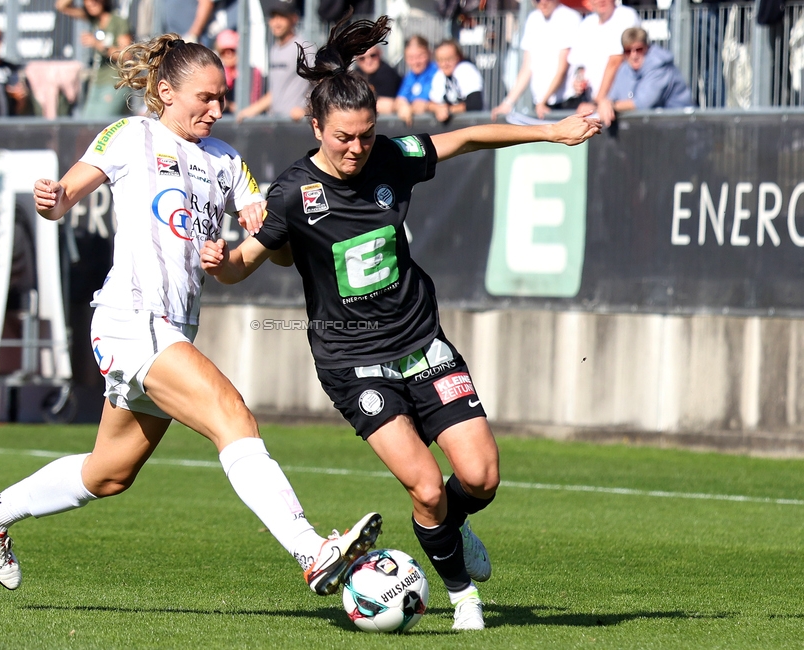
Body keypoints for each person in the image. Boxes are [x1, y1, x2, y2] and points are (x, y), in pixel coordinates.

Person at [200, 15, 600, 632]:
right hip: (351, 360)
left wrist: (550, 131)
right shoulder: (291, 193)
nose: (356, 149)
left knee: (480, 477)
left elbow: (464, 139)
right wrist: (219, 261)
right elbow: (245, 264)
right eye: (342, 138)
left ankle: (452, 531)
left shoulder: (390, 158)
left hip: (421, 343)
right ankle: (463, 597)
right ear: (316, 128)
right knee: (427, 488)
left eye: (364, 135)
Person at [0, 33, 381, 599]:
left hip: (175, 327)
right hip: (129, 319)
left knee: (109, 473)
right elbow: (65, 197)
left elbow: (270, 243)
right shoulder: (130, 136)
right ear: (165, 92)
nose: (217, 108)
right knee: (231, 413)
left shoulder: (227, 160)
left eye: (223, 97)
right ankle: (313, 551)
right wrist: (51, 198)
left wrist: (255, 227)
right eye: (205, 97)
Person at [490, 0, 584, 121]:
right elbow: (527, 68)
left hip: (566, 104)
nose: (543, 3)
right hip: (541, 107)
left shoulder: (569, 17)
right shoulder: (533, 19)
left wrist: (543, 101)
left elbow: (562, 68)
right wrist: (507, 103)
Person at [565, 0, 640, 125]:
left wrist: (596, 102)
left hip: (619, 105)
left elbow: (615, 62)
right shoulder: (587, 24)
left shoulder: (626, 16)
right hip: (595, 106)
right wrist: (579, 79)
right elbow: (578, 63)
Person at [55, 0, 133, 118]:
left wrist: (99, 45)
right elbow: (61, 6)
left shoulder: (117, 21)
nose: (90, 3)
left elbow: (126, 55)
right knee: (87, 125)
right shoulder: (95, 20)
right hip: (97, 83)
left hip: (115, 83)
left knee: (102, 126)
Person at [236, 0, 311, 122]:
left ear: (293, 19)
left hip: (297, 125)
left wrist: (306, 109)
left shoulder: (303, 48)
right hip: (277, 124)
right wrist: (249, 112)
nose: (276, 22)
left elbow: (322, 83)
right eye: (273, 17)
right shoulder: (275, 49)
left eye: (282, 17)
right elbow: (275, 93)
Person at [604, 27, 694, 115]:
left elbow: (643, 103)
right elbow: (613, 96)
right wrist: (606, 103)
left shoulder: (659, 65)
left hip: (679, 120)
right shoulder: (625, 68)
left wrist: (611, 106)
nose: (633, 55)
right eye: (628, 51)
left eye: (638, 49)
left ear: (646, 47)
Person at [429, 39, 484, 123]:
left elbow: (475, 103)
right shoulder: (439, 75)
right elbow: (432, 102)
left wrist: (448, 110)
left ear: (459, 57)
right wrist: (436, 109)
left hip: (475, 125)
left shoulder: (466, 69)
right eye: (441, 60)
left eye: (449, 59)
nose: (445, 64)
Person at [394, 35, 440, 126]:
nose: (416, 62)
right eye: (411, 57)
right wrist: (402, 107)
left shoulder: (437, 73)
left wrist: (409, 109)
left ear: (429, 53)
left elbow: (422, 104)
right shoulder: (410, 76)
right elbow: (399, 100)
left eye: (420, 56)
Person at [215, 28, 263, 114]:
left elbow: (255, 101)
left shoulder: (253, 72)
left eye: (232, 50)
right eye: (224, 51)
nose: (228, 54)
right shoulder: (218, 72)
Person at [354, 45, 401, 114]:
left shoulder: (387, 74)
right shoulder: (355, 75)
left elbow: (388, 105)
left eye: (373, 55)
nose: (368, 61)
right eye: (362, 58)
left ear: (379, 53)